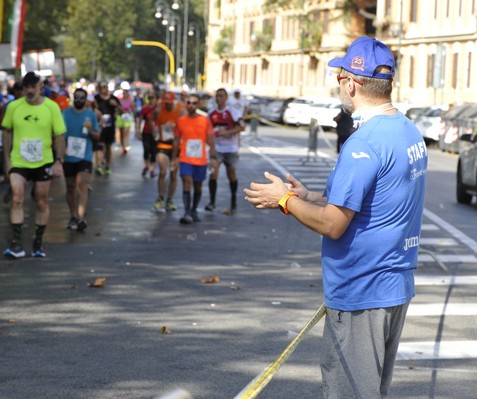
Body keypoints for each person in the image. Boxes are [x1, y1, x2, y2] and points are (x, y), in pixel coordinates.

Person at [243, 37, 428, 399]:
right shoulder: (407, 130)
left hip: (362, 292)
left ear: (352, 83)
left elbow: (333, 223)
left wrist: (283, 200)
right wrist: (308, 197)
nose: (338, 84)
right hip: (393, 286)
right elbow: (374, 199)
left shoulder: (364, 143)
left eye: (340, 76)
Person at [1, 71, 67, 258]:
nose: (29, 91)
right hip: (19, 161)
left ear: (40, 87)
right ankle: (16, 244)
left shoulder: (52, 107)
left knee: (41, 200)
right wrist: (7, 159)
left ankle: (37, 243)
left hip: (43, 161)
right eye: (26, 87)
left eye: (33, 87)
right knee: (17, 197)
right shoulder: (13, 107)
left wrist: (58, 161)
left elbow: (59, 135)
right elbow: (6, 132)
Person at [171, 94, 216, 224]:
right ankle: (186, 213)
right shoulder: (181, 121)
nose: (191, 105)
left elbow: (211, 139)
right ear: (186, 104)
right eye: (189, 103)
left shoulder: (205, 120)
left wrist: (212, 157)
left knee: (198, 187)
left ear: (198, 105)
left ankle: (194, 210)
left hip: (200, 160)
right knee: (187, 182)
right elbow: (176, 140)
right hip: (185, 159)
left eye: (194, 103)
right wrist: (174, 158)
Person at [62, 88, 100, 231]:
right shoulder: (65, 114)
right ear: (73, 98)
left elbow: (97, 135)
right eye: (76, 97)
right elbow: (59, 133)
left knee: (83, 185)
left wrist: (90, 131)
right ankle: (72, 215)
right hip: (69, 155)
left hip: (85, 156)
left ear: (85, 99)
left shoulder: (91, 115)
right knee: (70, 187)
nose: (79, 100)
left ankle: (80, 217)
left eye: (81, 97)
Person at [205, 88, 244, 215]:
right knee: (213, 174)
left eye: (221, 96)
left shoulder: (233, 112)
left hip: (230, 149)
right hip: (217, 148)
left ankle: (233, 203)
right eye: (217, 96)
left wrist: (226, 132)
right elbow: (207, 129)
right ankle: (212, 203)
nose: (219, 98)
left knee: (231, 175)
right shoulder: (211, 113)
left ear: (226, 98)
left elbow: (242, 127)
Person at [152, 91, 185, 212]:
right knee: (162, 171)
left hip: (176, 146)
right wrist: (154, 130)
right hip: (162, 144)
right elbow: (151, 120)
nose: (167, 105)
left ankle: (169, 200)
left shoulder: (180, 111)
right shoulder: (159, 110)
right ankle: (160, 197)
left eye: (170, 103)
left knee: (173, 173)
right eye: (166, 103)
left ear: (174, 101)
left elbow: (187, 124)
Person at [94, 81, 123, 175]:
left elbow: (122, 111)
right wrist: (96, 110)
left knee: (108, 146)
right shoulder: (96, 98)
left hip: (110, 125)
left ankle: (107, 165)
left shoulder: (113, 98)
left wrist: (116, 105)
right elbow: (91, 108)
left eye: (105, 87)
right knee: (99, 145)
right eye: (102, 87)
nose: (104, 89)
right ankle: (98, 165)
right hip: (99, 125)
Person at [138, 92, 159, 178]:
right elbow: (140, 120)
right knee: (146, 150)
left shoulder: (159, 109)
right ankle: (146, 166)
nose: (151, 99)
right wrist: (138, 131)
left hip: (156, 133)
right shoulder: (145, 108)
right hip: (146, 131)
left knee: (154, 151)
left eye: (153, 97)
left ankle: (152, 169)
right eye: (149, 98)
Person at [116, 84, 134, 155]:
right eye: (123, 93)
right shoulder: (120, 101)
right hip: (120, 118)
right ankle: (122, 145)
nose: (124, 94)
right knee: (121, 132)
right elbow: (117, 109)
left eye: (125, 93)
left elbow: (132, 109)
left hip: (127, 118)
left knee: (125, 132)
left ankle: (125, 146)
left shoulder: (130, 101)